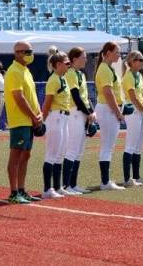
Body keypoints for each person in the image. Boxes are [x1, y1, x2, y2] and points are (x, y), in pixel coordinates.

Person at [5, 41, 42, 203]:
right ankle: (14, 192)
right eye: (27, 51)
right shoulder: (14, 71)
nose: (30, 54)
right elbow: (18, 97)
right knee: (16, 156)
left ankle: (21, 189)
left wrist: (38, 113)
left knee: (25, 155)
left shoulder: (25, 70)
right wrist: (34, 115)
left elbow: (31, 96)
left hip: (29, 120)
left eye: (31, 51)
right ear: (17, 53)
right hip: (20, 120)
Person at [62, 46, 95, 194]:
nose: (85, 60)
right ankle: (66, 185)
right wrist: (88, 112)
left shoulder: (80, 74)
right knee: (72, 150)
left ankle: (73, 184)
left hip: (83, 113)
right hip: (75, 112)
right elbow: (75, 96)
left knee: (79, 151)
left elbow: (86, 97)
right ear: (74, 58)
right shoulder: (70, 73)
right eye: (83, 57)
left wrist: (91, 112)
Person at [41, 50, 72, 199]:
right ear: (58, 64)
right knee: (51, 154)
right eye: (66, 63)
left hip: (64, 117)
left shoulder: (62, 78)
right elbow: (47, 103)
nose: (68, 65)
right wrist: (42, 120)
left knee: (60, 154)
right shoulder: (53, 80)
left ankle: (57, 187)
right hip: (55, 117)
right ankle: (48, 189)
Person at [95, 41, 125, 191]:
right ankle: (105, 182)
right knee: (107, 146)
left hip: (109, 109)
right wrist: (118, 112)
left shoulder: (108, 68)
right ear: (107, 53)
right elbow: (108, 93)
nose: (119, 55)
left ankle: (106, 181)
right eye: (116, 52)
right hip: (108, 109)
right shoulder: (105, 69)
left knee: (108, 146)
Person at [122, 51, 143, 187]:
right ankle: (127, 178)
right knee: (131, 145)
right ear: (133, 62)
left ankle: (136, 176)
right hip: (134, 112)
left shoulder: (139, 76)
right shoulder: (128, 76)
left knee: (138, 146)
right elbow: (133, 98)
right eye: (140, 59)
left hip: (141, 112)